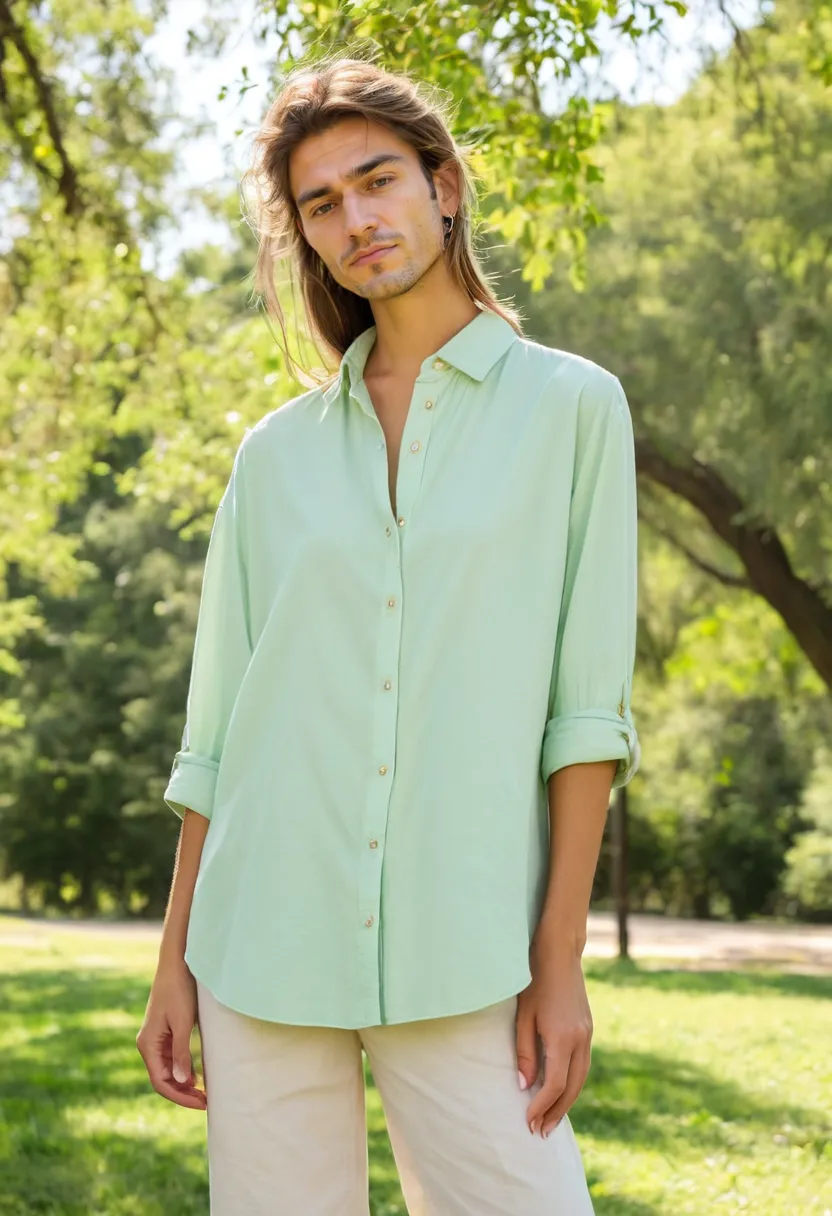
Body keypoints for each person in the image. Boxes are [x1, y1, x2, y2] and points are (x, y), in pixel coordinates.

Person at [136, 51, 640, 1216]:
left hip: (468, 948)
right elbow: (217, 732)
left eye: (378, 180)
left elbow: (585, 717)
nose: (358, 219)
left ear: (443, 184)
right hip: (259, 938)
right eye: (323, 203)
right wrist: (176, 955)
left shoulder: (573, 408)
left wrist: (555, 962)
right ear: (304, 236)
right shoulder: (273, 457)